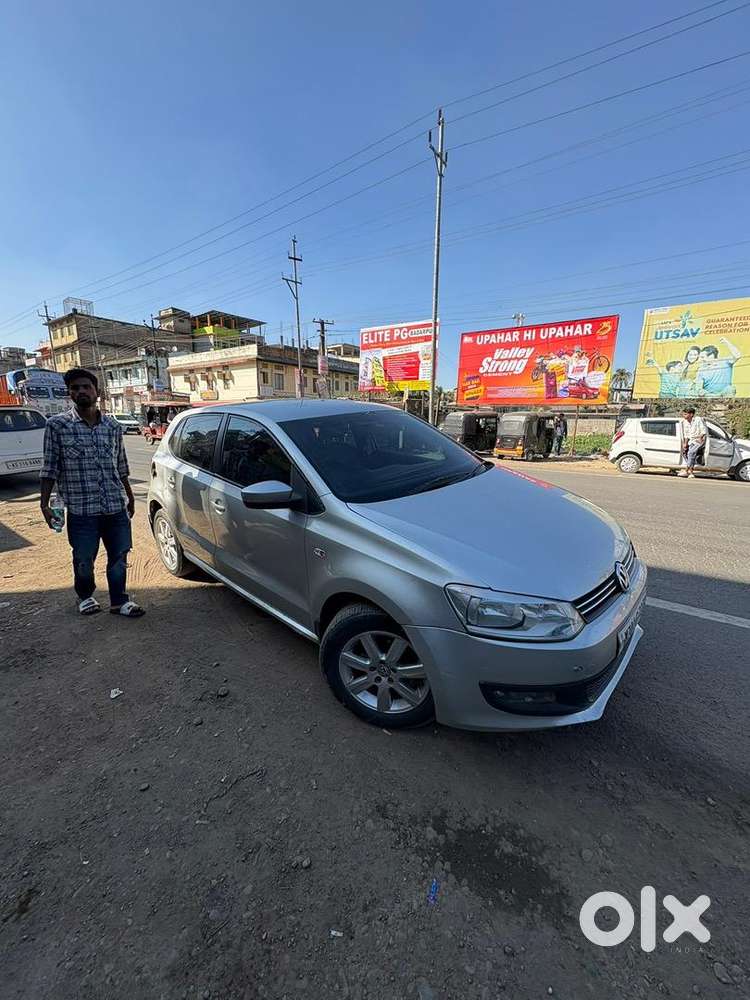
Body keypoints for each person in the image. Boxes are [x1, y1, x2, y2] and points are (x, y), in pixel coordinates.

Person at [39, 368, 145, 618]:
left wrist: (129, 496)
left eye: (86, 386)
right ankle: (85, 596)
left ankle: (119, 601)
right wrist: (44, 504)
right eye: (75, 388)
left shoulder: (112, 426)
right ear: (70, 394)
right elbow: (50, 467)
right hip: (81, 510)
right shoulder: (57, 426)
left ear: (97, 391)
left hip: (114, 506)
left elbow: (121, 466)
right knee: (84, 559)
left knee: (119, 555)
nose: (81, 391)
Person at [678, 406, 707, 479]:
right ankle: (691, 472)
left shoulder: (698, 420)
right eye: (683, 414)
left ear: (691, 414)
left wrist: (700, 438)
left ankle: (686, 469)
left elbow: (703, 430)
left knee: (691, 453)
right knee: (688, 454)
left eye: (685, 414)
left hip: (699, 440)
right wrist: (685, 443)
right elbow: (686, 434)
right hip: (691, 441)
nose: (684, 415)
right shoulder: (684, 422)